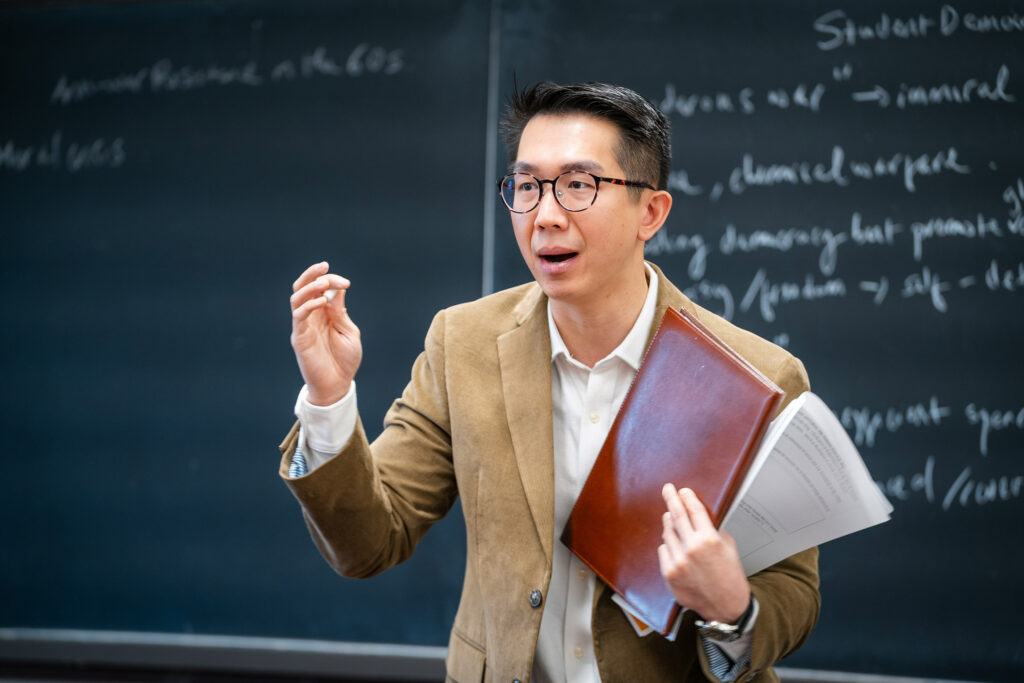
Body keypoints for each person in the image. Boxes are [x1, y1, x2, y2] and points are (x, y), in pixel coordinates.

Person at [280, 81, 819, 683]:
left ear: (651, 212)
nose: (546, 215)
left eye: (579, 186)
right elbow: (369, 543)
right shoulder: (464, 344)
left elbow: (794, 591)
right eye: (528, 186)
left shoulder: (753, 375)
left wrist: (730, 611)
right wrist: (329, 399)